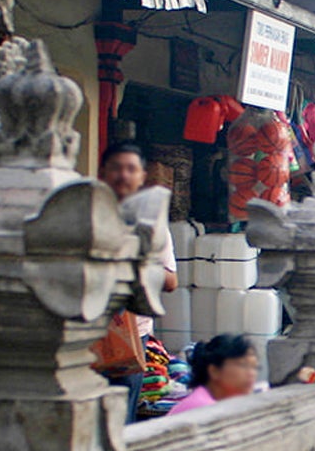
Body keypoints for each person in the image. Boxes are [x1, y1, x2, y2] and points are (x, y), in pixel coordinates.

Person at [100, 144, 179, 422]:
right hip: (84, 332)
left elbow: (171, 281)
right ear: (103, 174)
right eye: (116, 168)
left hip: (131, 335)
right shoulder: (86, 217)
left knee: (121, 420)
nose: (123, 175)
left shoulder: (153, 225)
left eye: (130, 169)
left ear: (141, 176)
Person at [168, 334, 261, 415]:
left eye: (255, 367)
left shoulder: (223, 404)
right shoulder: (201, 408)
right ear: (214, 371)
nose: (251, 373)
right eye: (242, 365)